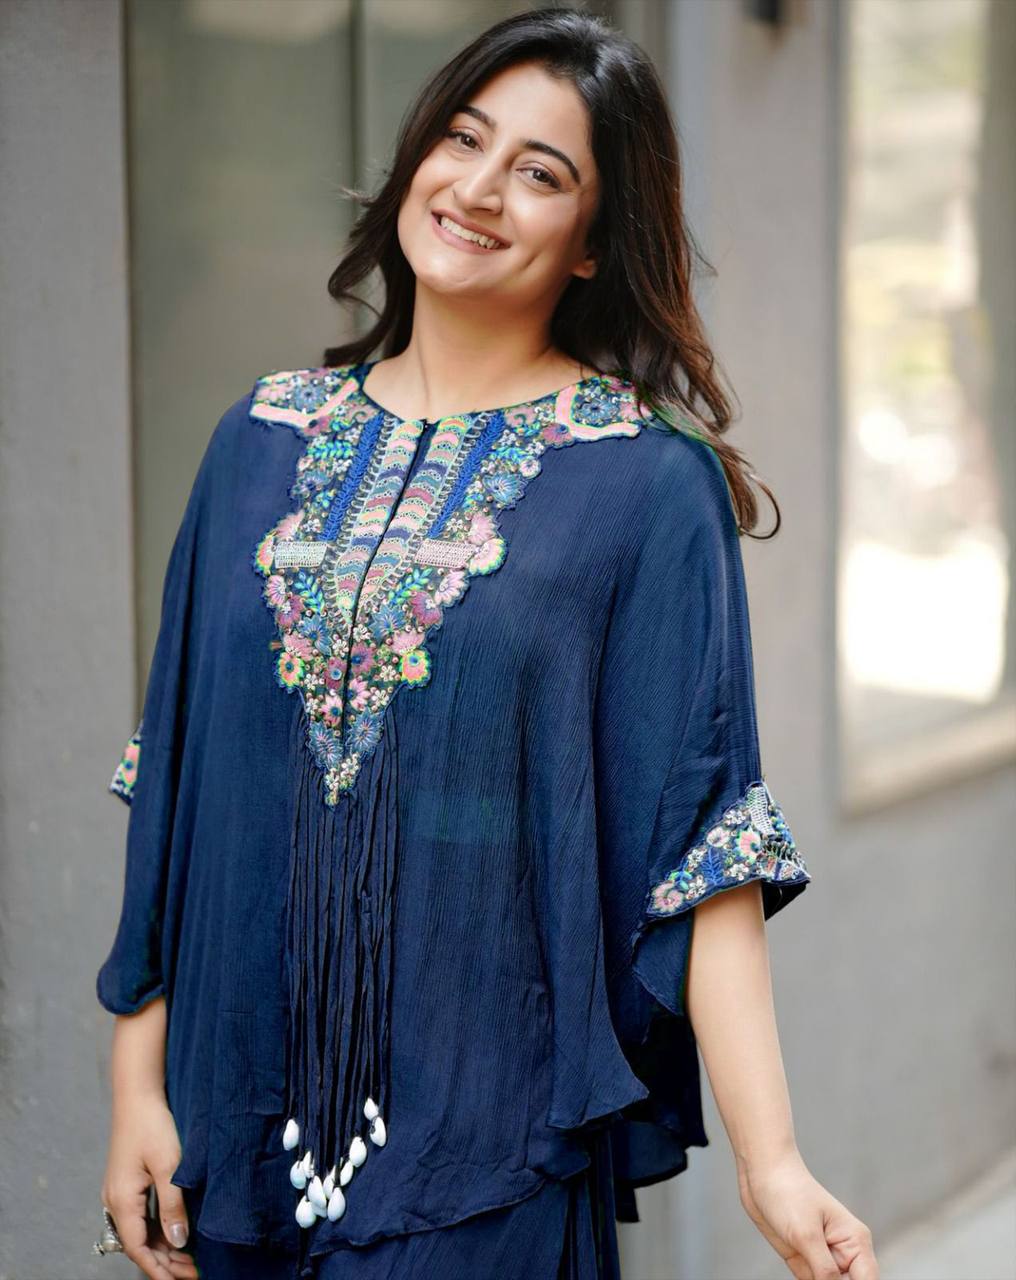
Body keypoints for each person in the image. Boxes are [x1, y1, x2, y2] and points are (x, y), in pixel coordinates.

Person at [95, 8, 879, 1280]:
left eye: (539, 171)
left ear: (592, 241)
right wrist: (135, 1085)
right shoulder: (258, 439)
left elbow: (704, 843)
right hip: (224, 1132)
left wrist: (769, 1159)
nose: (477, 187)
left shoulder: (642, 480)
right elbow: (174, 784)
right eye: (462, 140)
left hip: (487, 1143)